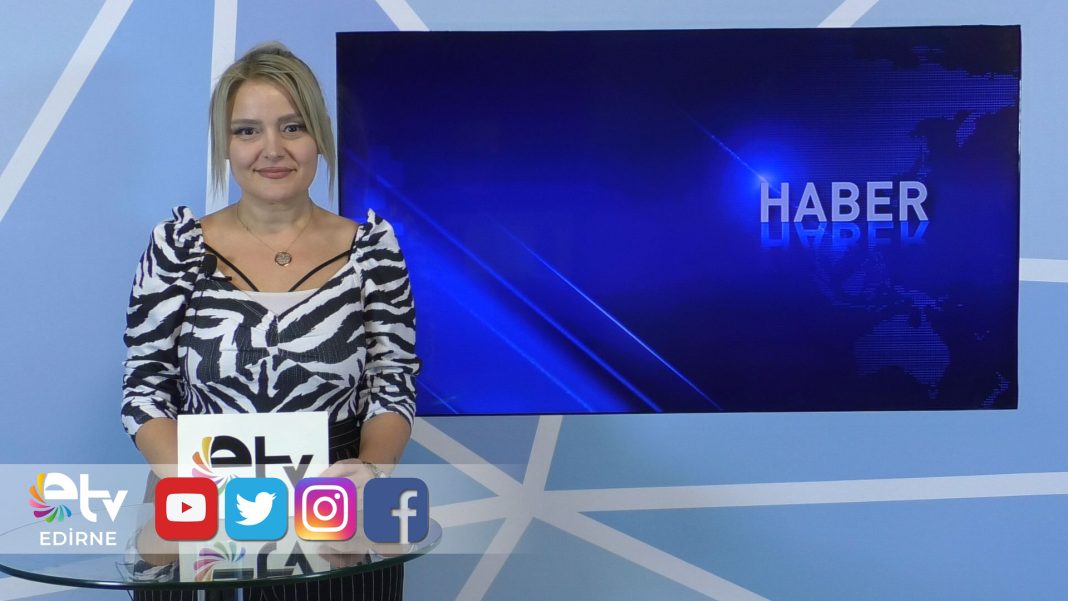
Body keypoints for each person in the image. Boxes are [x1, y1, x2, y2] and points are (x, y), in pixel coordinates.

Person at [121, 42, 418, 600]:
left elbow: (392, 384)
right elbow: (144, 389)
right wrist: (196, 491)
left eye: (292, 127)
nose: (272, 150)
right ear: (225, 144)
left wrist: (370, 475)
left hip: (335, 528)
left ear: (319, 136)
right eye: (248, 131)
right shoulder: (177, 248)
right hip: (198, 521)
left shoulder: (373, 251)